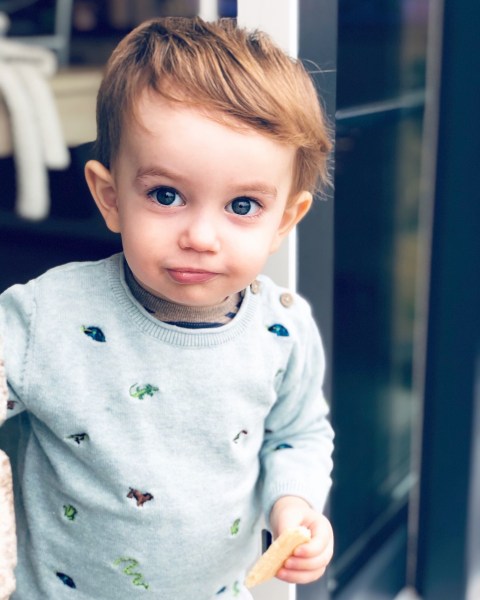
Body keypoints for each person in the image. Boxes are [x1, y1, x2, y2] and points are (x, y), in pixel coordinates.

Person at [0, 17, 334, 599]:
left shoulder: (282, 331)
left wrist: (295, 505)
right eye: (166, 195)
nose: (200, 237)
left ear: (284, 220)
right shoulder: (44, 318)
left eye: (242, 205)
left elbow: (297, 432)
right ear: (110, 197)